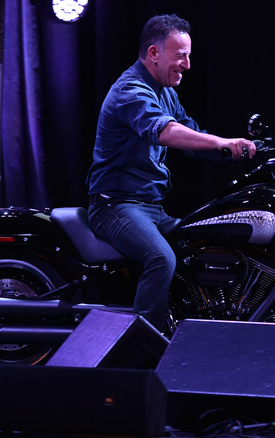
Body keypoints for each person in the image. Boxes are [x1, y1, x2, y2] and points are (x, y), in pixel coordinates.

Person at [85, 14, 256, 332]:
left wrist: (241, 152)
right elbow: (164, 131)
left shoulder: (166, 93)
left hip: (151, 208)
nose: (187, 65)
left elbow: (191, 140)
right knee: (161, 259)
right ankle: (141, 349)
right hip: (116, 206)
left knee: (202, 244)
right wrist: (223, 142)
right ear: (154, 53)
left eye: (188, 56)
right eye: (181, 56)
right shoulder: (131, 91)